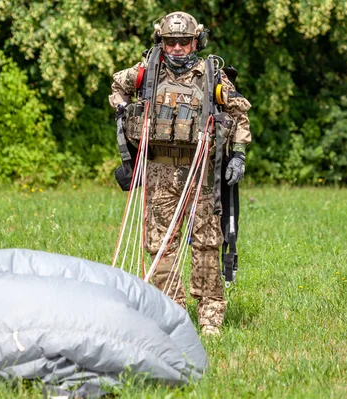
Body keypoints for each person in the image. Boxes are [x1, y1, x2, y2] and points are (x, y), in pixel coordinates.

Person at [108, 11, 252, 336]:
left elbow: (239, 113)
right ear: (161, 41)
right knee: (160, 246)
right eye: (169, 41)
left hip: (201, 173)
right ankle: (170, 316)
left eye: (183, 42)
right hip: (159, 172)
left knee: (206, 244)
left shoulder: (211, 75)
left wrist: (238, 157)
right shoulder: (147, 72)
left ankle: (210, 317)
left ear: (195, 41)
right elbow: (117, 87)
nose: (176, 48)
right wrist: (123, 111)